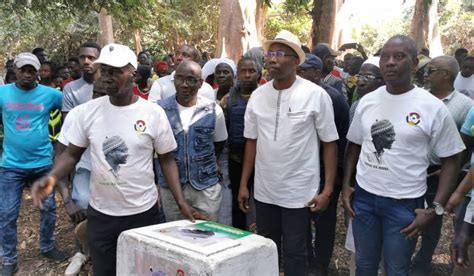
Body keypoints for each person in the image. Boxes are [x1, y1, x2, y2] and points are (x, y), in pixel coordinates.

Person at [31, 43, 203, 275]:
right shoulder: (87, 112)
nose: (108, 77)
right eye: (105, 71)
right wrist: (51, 179)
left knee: (141, 270)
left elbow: (166, 160)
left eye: (116, 71)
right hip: (101, 215)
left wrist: (180, 201)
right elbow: (71, 154)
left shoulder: (152, 113)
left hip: (142, 213)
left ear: (132, 73)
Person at [341, 35, 465, 275]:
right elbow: (354, 145)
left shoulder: (432, 107)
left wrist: (435, 208)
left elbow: (452, 159)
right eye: (385, 57)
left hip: (405, 204)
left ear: (415, 63)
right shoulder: (368, 101)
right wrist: (346, 186)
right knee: (364, 265)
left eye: (399, 57)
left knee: (396, 269)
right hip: (364, 200)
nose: (390, 62)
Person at [238, 30, 339, 276]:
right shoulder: (258, 96)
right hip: (265, 191)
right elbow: (251, 142)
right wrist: (244, 185)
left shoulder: (316, 96)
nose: (272, 59)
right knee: (266, 247)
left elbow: (330, 144)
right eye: (270, 54)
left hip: (299, 192)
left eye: (280, 54)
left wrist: (327, 191)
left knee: (296, 251)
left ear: (296, 61)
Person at [0, 53, 66, 276]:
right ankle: (9, 259)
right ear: (15, 71)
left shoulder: (50, 95)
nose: (27, 74)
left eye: (32, 70)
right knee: (7, 213)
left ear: (38, 72)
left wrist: (62, 146)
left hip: (42, 162)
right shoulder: (3, 93)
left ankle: (47, 246)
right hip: (11, 165)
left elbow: (70, 114)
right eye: (23, 70)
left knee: (48, 209)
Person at [296, 53, 349, 275]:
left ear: (316, 73)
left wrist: (336, 175)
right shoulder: (296, 94)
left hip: (326, 170)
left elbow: (341, 139)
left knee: (324, 220)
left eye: (303, 70)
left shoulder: (333, 98)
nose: (298, 73)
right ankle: (306, 258)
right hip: (303, 169)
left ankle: (321, 263)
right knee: (302, 215)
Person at [158, 60, 227, 222]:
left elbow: (219, 143)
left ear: (200, 83)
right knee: (176, 239)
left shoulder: (212, 110)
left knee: (208, 237)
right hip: (172, 190)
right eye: (179, 79)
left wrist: (204, 164)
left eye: (191, 80)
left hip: (205, 188)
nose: (184, 85)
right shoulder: (160, 110)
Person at [220, 57, 260, 230]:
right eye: (243, 71)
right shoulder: (228, 100)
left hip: (262, 161)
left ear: (258, 74)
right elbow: (223, 133)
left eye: (251, 71)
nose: (247, 75)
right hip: (236, 159)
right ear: (238, 74)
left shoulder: (267, 96)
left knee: (261, 201)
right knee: (239, 200)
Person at [148, 44, 215, 103]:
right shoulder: (160, 84)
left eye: (185, 55)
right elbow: (153, 111)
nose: (179, 58)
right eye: (177, 54)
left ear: (195, 61)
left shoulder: (206, 89)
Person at [62, 42, 101, 118]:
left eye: (91, 58)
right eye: (82, 57)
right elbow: (68, 122)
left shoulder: (110, 86)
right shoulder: (70, 89)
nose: (86, 61)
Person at [349, 57, 385, 122]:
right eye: (359, 76)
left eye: (368, 77)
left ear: (383, 81)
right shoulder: (356, 107)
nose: (360, 82)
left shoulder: (392, 106)